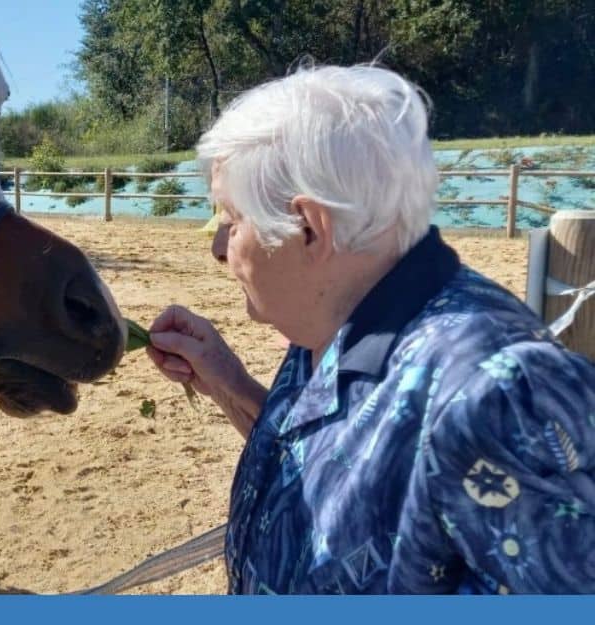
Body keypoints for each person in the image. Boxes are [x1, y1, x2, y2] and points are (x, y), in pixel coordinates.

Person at [144, 63, 595, 594]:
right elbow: (345, 463)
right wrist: (227, 383)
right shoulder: (335, 321)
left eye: (231, 221)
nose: (219, 249)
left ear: (311, 229)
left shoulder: (501, 397)